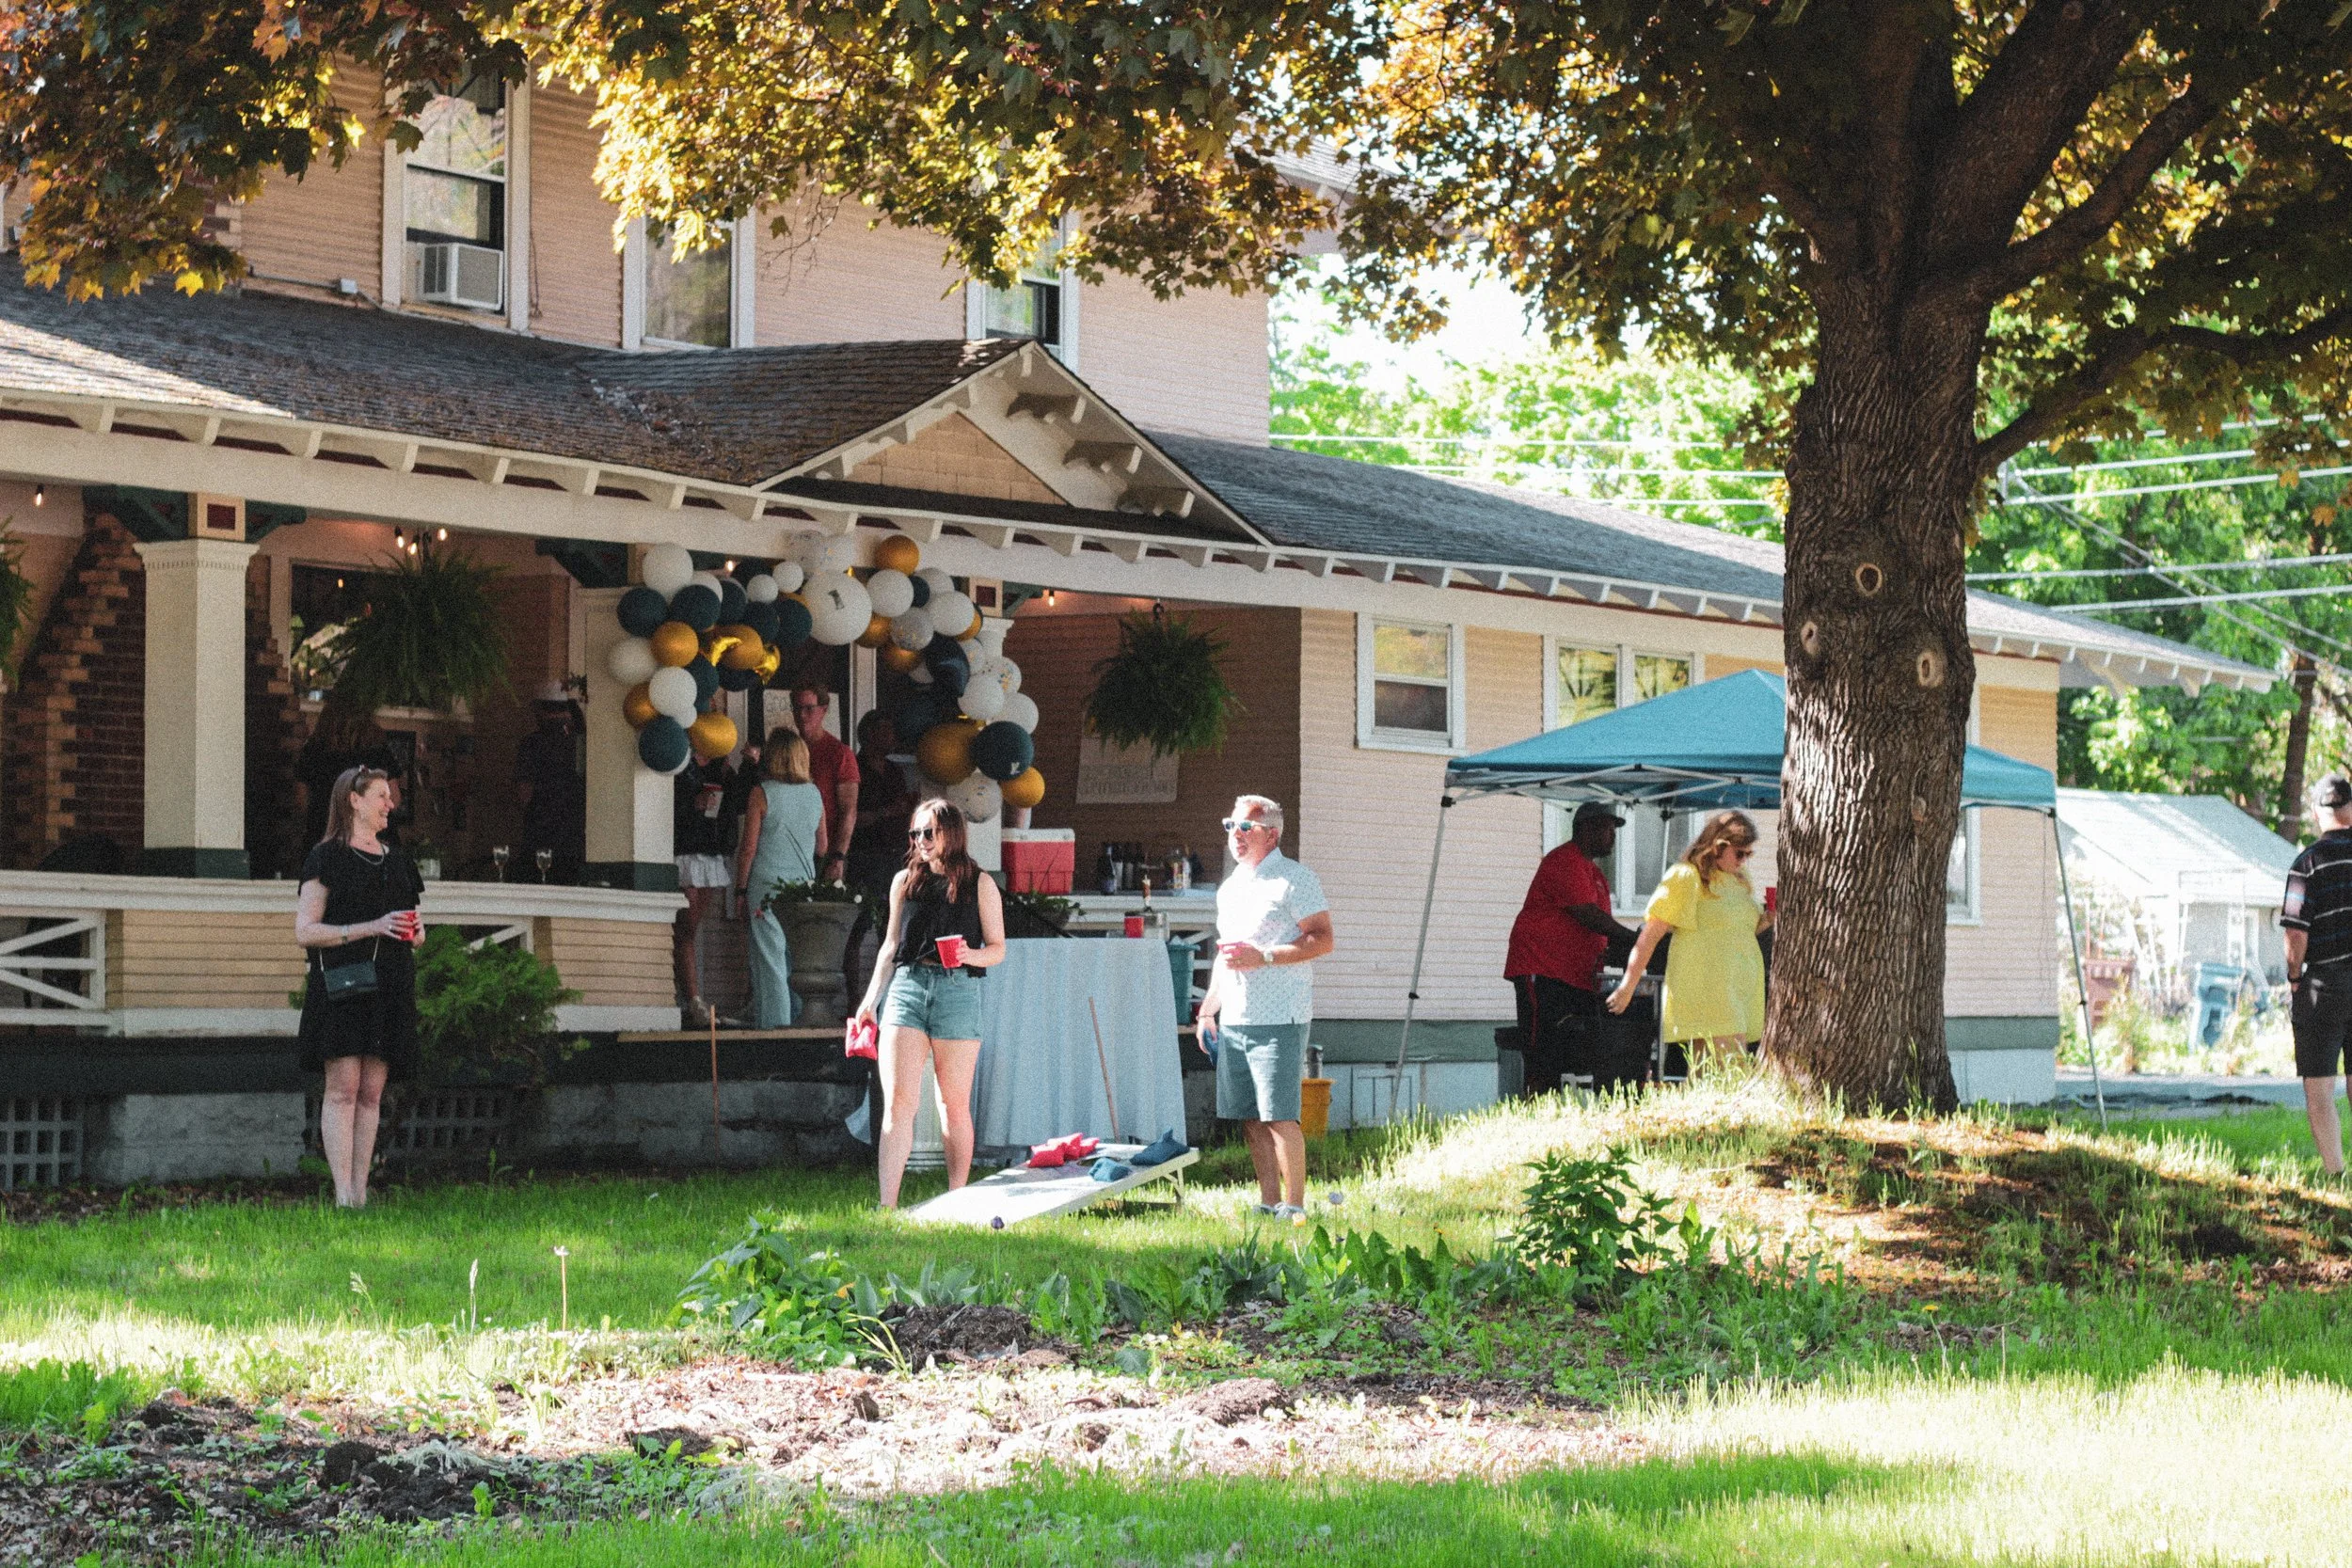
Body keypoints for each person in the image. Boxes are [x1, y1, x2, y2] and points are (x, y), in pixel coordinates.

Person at [852, 799, 1009, 1207]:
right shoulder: (904, 881)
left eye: (928, 833)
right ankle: (887, 1205)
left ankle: (957, 1198)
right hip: (907, 986)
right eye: (915, 833)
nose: (920, 841)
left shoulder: (980, 883)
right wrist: (870, 1001)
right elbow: (889, 947)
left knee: (951, 1102)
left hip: (958, 989)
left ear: (951, 834)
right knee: (898, 1101)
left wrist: (968, 955)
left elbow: (997, 948)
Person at [1196, 794, 1335, 1221]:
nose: (1234, 836)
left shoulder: (1295, 879)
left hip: (1280, 1015)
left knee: (1279, 1116)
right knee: (1250, 1119)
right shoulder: (1231, 886)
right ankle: (1268, 1202)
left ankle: (1294, 1207)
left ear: (1271, 834)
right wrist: (1208, 1008)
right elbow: (1225, 953)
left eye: (1245, 828)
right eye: (1229, 826)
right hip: (1237, 1015)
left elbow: (1323, 938)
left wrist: (1267, 956)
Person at [294, 766, 425, 1209]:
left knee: (371, 1094)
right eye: (382, 796)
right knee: (343, 1089)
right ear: (354, 799)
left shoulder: (397, 859)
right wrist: (371, 927)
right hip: (344, 984)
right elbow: (306, 931)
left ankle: (362, 1192)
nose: (391, 804)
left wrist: (414, 930)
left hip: (390, 982)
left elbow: (414, 929)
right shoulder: (325, 858)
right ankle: (342, 1194)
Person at [1607, 810, 1772, 1069]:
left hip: (1739, 989)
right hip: (1708, 989)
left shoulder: (1741, 881)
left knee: (1711, 1076)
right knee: (1732, 1070)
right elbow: (1651, 934)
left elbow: (1740, 931)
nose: (1743, 861)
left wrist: (1769, 919)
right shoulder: (1687, 876)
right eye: (1740, 853)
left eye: (1748, 855)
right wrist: (1628, 985)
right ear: (1718, 847)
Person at [1504, 802, 1639, 1095]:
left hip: (1576, 976)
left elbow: (1603, 929)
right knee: (1541, 1045)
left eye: (1614, 830)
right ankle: (1534, 1103)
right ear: (1585, 829)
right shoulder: (1564, 861)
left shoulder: (1597, 876)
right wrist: (1635, 939)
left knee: (1570, 1045)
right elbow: (1588, 915)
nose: (1612, 836)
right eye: (1607, 829)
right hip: (1543, 968)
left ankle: (1558, 1104)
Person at [736, 730, 828, 1028]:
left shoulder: (761, 793)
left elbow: (748, 848)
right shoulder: (815, 794)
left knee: (768, 956)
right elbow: (823, 847)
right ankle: (796, 1019)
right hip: (802, 885)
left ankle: (775, 1027)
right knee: (793, 957)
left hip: (766, 884)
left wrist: (740, 888)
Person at [2283, 775, 2352, 1174]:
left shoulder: (2306, 863)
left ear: (2315, 813)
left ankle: (2336, 1174)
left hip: (2323, 986)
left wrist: (2295, 978)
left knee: (2321, 1088)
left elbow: (2295, 931)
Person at [843, 710, 918, 996]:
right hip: (864, 857)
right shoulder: (856, 768)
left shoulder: (896, 771)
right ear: (869, 735)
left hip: (895, 858)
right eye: (885, 730)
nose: (892, 737)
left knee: (892, 929)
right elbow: (849, 816)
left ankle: (890, 996)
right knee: (857, 930)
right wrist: (886, 812)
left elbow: (902, 811)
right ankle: (853, 999)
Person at [673, 752, 736, 1026]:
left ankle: (692, 996)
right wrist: (692, 804)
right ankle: (692, 998)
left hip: (710, 849)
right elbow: (666, 806)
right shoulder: (680, 763)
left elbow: (736, 801)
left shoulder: (720, 766)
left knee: (693, 928)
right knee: (685, 928)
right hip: (684, 849)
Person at [514, 683, 586, 884]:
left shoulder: (532, 744)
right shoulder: (582, 742)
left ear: (540, 710)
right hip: (576, 840)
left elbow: (524, 794)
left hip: (540, 838)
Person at [793, 683, 861, 886]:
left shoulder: (839, 753)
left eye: (809, 708)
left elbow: (849, 810)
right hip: (791, 851)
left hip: (825, 854)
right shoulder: (789, 751)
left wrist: (838, 857)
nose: (802, 715)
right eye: (797, 708)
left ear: (823, 710)